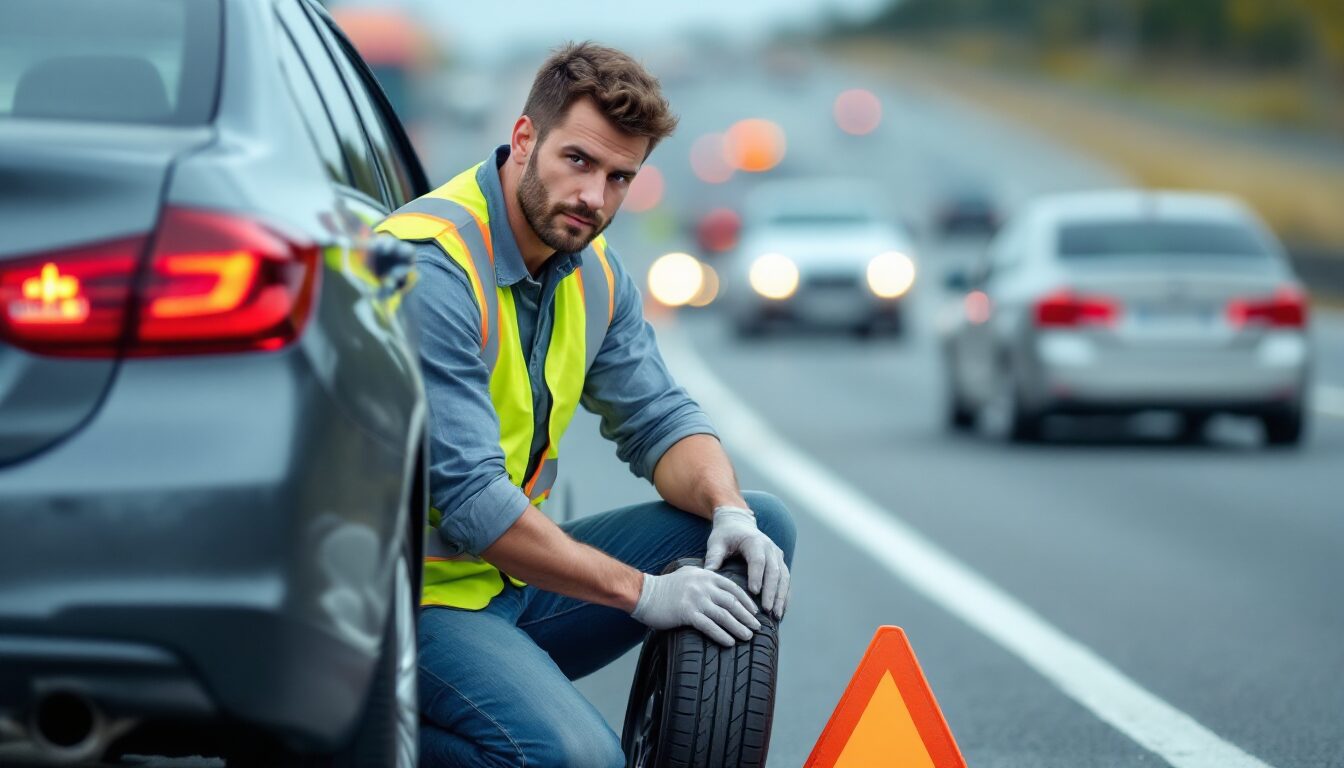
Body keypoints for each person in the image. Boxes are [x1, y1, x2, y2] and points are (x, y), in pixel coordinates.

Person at [377, 41, 796, 768]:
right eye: (579, 161)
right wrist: (642, 593)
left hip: (507, 586)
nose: (594, 199)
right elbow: (475, 504)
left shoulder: (591, 270)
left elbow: (660, 419)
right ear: (524, 139)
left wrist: (728, 508)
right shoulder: (432, 267)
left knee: (760, 528)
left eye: (619, 178)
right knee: (579, 760)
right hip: (409, 604)